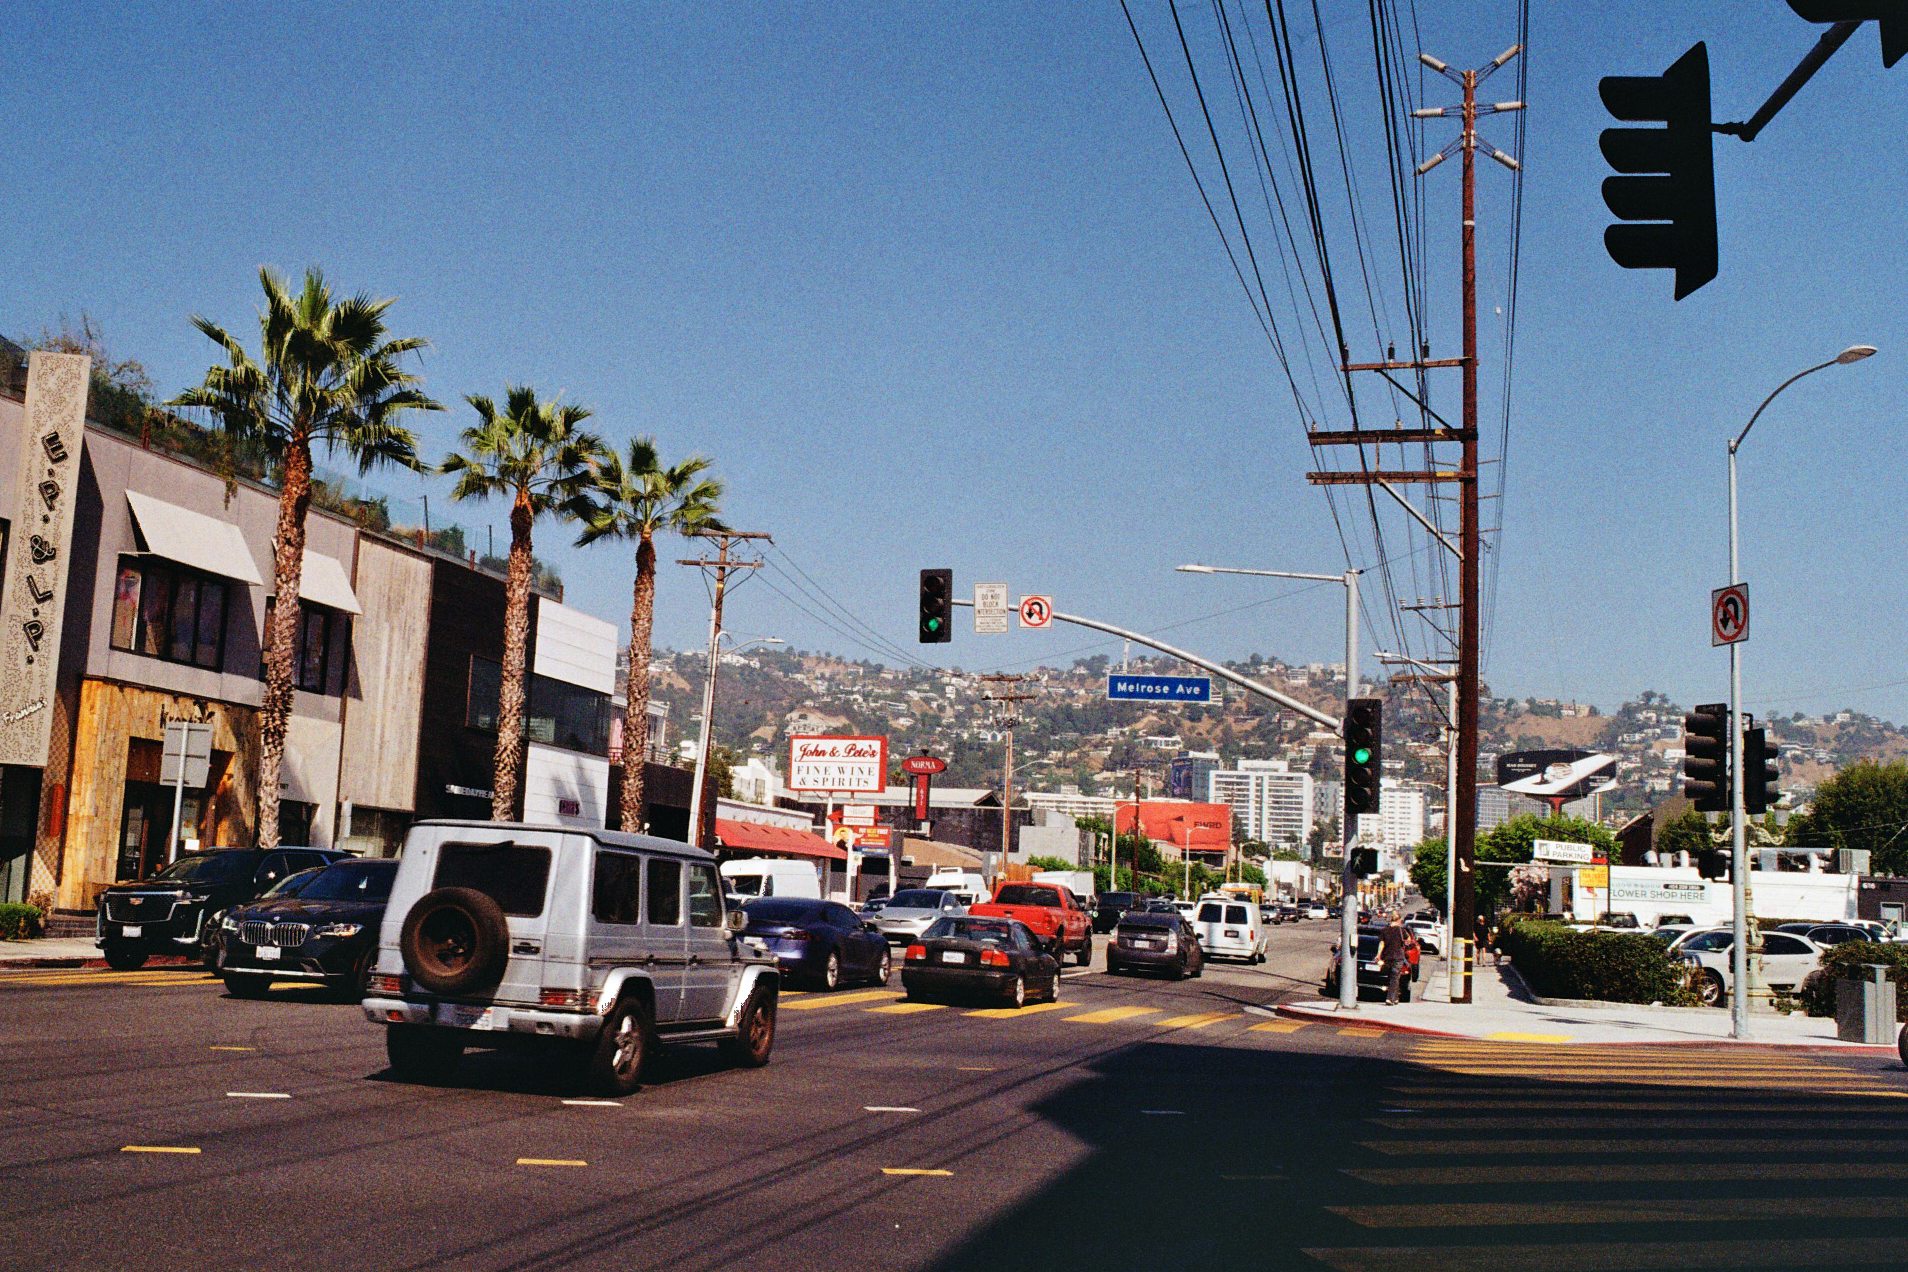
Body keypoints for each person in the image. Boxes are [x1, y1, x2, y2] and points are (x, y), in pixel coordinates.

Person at [1379, 911, 1415, 1005]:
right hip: (1398, 956)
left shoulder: (1384, 930)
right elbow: (1409, 940)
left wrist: (1378, 955)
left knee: (1392, 977)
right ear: (1399, 920)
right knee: (1395, 977)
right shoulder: (1401, 931)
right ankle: (1390, 998)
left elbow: (1381, 944)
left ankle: (1394, 998)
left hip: (1387, 956)